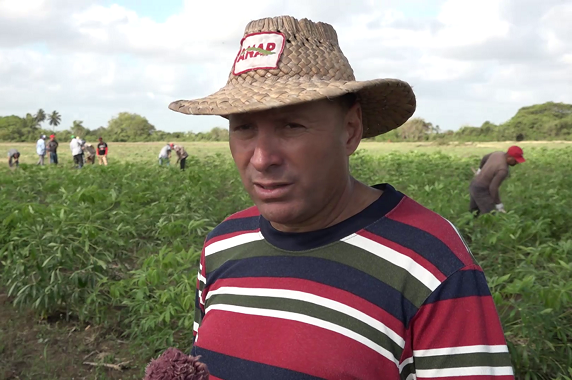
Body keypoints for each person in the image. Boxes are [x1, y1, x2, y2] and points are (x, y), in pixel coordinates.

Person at [168, 16, 514, 379]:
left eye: (291, 126)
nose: (261, 158)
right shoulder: (222, 243)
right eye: (243, 128)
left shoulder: (430, 261)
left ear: (350, 131)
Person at [469, 146, 525, 216]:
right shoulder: (503, 170)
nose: (517, 162)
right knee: (490, 215)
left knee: (473, 212)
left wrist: (480, 170)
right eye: (516, 160)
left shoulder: (498, 154)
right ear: (509, 157)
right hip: (482, 190)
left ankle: (466, 226)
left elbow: (485, 157)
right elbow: (493, 188)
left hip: (474, 184)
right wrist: (498, 204)